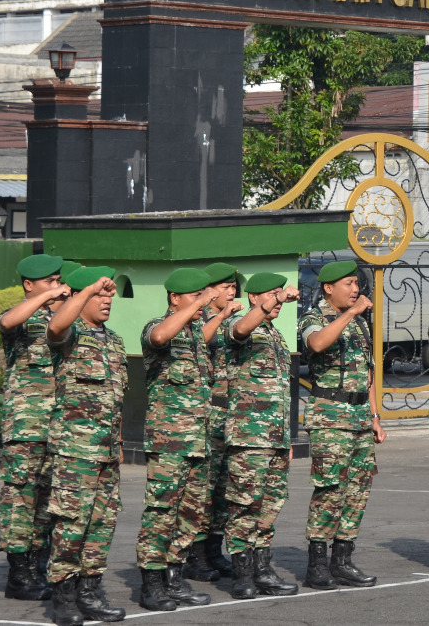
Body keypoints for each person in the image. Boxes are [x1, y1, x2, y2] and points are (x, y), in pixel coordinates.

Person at [45, 265, 127, 625]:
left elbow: (118, 398)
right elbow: (56, 325)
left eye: (110, 294)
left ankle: (91, 591)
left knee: (101, 524)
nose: (107, 299)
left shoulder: (115, 340)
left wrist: (119, 440)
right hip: (75, 450)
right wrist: (86, 288)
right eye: (99, 294)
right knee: (71, 524)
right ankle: (63, 595)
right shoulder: (70, 333)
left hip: (107, 449)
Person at [298, 260, 385, 588]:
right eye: (348, 283)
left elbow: (368, 372)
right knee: (330, 490)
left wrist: (375, 417)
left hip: (360, 418)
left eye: (356, 283)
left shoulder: (360, 323)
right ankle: (317, 564)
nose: (355, 289)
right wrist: (349, 314)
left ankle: (343, 559)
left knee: (357, 491)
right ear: (328, 288)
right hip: (330, 420)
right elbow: (317, 344)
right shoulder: (313, 318)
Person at [133, 267, 215, 611]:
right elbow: (159, 338)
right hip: (169, 442)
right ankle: (151, 584)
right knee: (161, 513)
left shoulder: (195, 334)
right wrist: (198, 305)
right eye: (194, 296)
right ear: (175, 298)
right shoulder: (156, 325)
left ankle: (174, 578)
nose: (201, 303)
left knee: (190, 515)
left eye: (201, 296)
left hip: (198, 440)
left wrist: (217, 309)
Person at [0, 253, 72, 601]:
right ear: (30, 284)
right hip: (27, 424)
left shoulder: (62, 318)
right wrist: (46, 298)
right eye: (50, 281)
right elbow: (7, 322)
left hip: (61, 425)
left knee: (47, 502)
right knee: (21, 498)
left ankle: (39, 564)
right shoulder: (21, 317)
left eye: (59, 280)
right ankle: (19, 574)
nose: (58, 286)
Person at [221, 271, 299, 599]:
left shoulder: (276, 336)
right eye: (272, 293)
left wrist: (286, 439)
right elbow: (239, 330)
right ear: (254, 297)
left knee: (270, 505)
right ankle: (242, 573)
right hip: (248, 437)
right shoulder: (241, 326)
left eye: (281, 292)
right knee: (245, 505)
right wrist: (276, 301)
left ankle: (262, 568)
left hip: (275, 437)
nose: (279, 297)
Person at [190, 261, 244, 583]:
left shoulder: (233, 322)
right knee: (203, 488)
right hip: (207, 415)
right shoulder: (198, 321)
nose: (232, 292)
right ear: (209, 292)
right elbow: (201, 341)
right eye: (226, 287)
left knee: (223, 488)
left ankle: (213, 551)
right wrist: (221, 316)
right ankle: (194, 556)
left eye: (234, 287)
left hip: (230, 416)